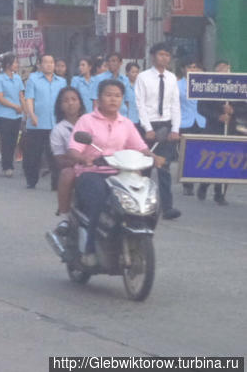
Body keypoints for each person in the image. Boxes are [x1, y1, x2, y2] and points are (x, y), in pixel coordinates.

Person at [67, 79, 165, 267]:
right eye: (108, 95)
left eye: (117, 96)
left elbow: (140, 147)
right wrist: (83, 159)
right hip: (92, 172)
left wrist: (155, 157)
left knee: (148, 197)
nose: (113, 99)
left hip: (122, 174)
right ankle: (89, 249)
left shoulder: (126, 123)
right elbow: (73, 149)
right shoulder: (86, 121)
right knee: (100, 200)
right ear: (99, 98)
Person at [134, 42, 182, 220]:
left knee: (164, 167)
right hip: (150, 125)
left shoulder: (171, 78)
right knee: (146, 168)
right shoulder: (143, 77)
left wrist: (175, 129)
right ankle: (142, 206)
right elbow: (140, 105)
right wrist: (147, 128)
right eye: (161, 54)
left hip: (167, 124)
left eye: (167, 55)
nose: (164, 58)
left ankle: (167, 207)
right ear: (153, 56)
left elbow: (175, 105)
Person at [21, 54, 67, 189]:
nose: (49, 65)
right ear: (40, 65)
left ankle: (56, 182)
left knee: (55, 154)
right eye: (46, 62)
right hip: (37, 123)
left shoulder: (61, 81)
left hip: (55, 123)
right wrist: (32, 114)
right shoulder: (33, 79)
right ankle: (31, 180)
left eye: (51, 62)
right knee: (33, 154)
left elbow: (63, 101)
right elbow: (29, 98)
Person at [195, 60, 234, 205]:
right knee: (213, 161)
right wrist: (218, 116)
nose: (224, 71)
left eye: (226, 68)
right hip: (212, 128)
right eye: (220, 69)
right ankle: (204, 184)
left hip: (230, 130)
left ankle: (220, 194)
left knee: (227, 162)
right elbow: (201, 109)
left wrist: (232, 111)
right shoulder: (208, 86)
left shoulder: (237, 86)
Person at [50, 86, 86, 231]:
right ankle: (64, 215)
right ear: (60, 106)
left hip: (97, 164)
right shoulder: (59, 130)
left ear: (80, 103)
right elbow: (59, 159)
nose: (70, 103)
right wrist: (80, 159)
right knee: (66, 173)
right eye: (66, 101)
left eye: (74, 99)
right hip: (75, 166)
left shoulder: (89, 122)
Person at [178, 60, 206, 197]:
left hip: (201, 122)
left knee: (202, 154)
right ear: (183, 69)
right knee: (187, 154)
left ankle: (202, 181)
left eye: (196, 67)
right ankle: (187, 184)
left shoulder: (205, 84)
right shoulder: (177, 85)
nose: (193, 69)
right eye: (190, 66)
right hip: (185, 123)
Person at [0, 54, 25, 177]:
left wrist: (24, 109)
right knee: (5, 140)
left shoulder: (17, 78)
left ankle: (10, 162)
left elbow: (21, 95)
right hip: (4, 114)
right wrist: (14, 106)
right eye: (15, 63)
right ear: (8, 65)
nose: (17, 65)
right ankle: (6, 166)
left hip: (17, 115)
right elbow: (0, 98)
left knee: (13, 141)